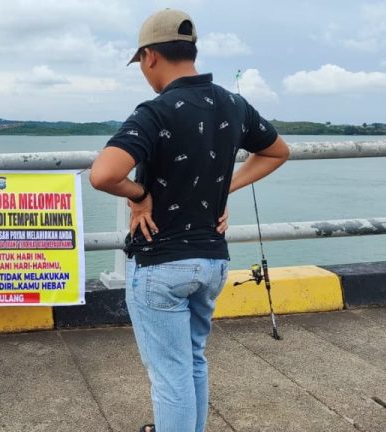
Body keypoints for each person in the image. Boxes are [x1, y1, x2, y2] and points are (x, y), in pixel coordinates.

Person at [90, 9, 289, 432]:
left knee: (169, 378)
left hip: (161, 263)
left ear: (149, 57)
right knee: (193, 361)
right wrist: (222, 189)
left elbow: (104, 174)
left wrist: (140, 194)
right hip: (212, 261)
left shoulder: (155, 111)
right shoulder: (233, 104)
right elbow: (276, 151)